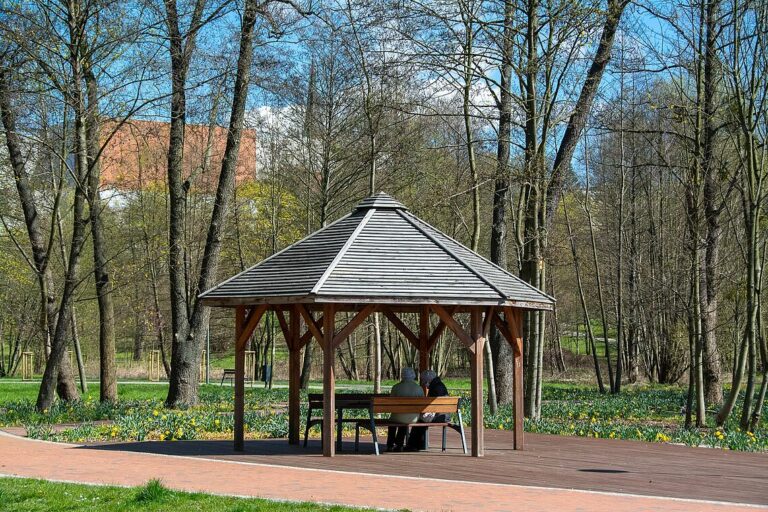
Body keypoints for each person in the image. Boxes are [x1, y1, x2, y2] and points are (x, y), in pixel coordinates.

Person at [405, 369, 448, 451]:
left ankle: (413, 445)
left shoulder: (435, 387)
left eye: (424, 381)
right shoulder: (439, 385)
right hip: (444, 415)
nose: (424, 383)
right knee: (421, 419)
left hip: (439, 416)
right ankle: (419, 444)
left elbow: (430, 406)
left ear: (429, 379)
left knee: (419, 421)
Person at [386, 367, 423, 452]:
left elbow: (391, 403)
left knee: (396, 421)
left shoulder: (396, 387)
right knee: (404, 420)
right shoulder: (419, 388)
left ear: (402, 375)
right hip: (414, 418)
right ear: (413, 375)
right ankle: (399, 444)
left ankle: (390, 445)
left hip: (398, 417)